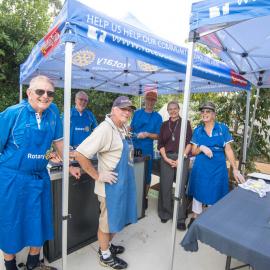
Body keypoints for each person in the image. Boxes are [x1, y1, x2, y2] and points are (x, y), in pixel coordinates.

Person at [0, 75, 81, 270]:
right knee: (10, 223)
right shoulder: (13, 113)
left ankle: (33, 264)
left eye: (50, 93)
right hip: (12, 179)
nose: (45, 96)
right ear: (29, 93)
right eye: (40, 91)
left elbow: (59, 142)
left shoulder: (53, 113)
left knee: (40, 222)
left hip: (39, 178)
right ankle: (10, 265)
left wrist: (69, 164)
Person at [75, 96, 137, 269]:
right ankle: (105, 255)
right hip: (110, 189)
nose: (127, 112)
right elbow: (80, 154)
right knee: (107, 223)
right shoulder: (105, 129)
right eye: (123, 109)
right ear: (114, 109)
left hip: (123, 183)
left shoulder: (121, 127)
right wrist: (97, 175)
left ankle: (107, 247)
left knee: (117, 220)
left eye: (129, 109)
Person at [187, 101, 245, 228]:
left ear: (214, 114)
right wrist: (201, 148)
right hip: (201, 167)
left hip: (218, 167)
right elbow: (193, 151)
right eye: (202, 112)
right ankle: (195, 217)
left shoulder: (222, 129)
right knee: (199, 190)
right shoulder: (198, 130)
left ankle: (212, 219)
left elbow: (228, 150)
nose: (204, 114)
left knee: (216, 191)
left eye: (208, 111)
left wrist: (235, 169)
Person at [157, 101, 192, 230]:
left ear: (178, 109)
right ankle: (165, 212)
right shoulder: (164, 125)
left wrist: (181, 158)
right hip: (167, 157)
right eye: (170, 109)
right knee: (165, 186)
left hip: (182, 157)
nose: (173, 111)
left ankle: (181, 218)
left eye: (175, 108)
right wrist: (165, 158)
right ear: (167, 111)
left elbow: (189, 143)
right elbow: (160, 144)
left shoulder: (185, 123)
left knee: (180, 188)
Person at [130, 90, 162, 207]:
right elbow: (131, 128)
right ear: (145, 100)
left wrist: (147, 134)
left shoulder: (157, 117)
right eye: (148, 99)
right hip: (136, 148)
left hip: (147, 149)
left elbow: (158, 135)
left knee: (147, 173)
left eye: (153, 100)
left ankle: (144, 197)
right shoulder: (137, 113)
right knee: (135, 170)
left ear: (155, 102)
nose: (150, 102)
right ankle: (134, 196)